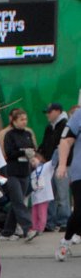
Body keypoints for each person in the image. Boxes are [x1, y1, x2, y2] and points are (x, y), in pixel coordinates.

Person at [0, 108, 36, 242]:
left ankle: (7, 232)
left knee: (16, 203)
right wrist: (23, 152)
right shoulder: (10, 135)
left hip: (25, 172)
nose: (24, 122)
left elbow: (33, 147)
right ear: (14, 121)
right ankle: (28, 228)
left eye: (25, 119)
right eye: (21, 119)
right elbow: (9, 152)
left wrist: (31, 153)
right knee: (19, 201)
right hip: (13, 172)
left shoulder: (27, 133)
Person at [54, 104, 81, 261]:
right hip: (79, 172)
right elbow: (65, 142)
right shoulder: (78, 115)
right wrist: (62, 164)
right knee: (80, 210)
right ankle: (66, 240)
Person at [37, 101, 69, 231]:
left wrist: (60, 163)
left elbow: (64, 145)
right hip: (49, 165)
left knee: (62, 194)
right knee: (50, 195)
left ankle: (64, 221)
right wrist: (39, 154)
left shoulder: (65, 125)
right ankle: (50, 222)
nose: (47, 115)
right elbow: (45, 143)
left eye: (49, 112)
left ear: (58, 111)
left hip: (62, 164)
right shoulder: (49, 127)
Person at [28, 153, 55, 237]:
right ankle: (34, 228)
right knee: (34, 214)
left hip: (44, 196)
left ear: (39, 158)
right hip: (35, 197)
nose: (33, 162)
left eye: (34, 160)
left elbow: (54, 161)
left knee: (42, 213)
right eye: (31, 161)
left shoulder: (45, 167)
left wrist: (59, 148)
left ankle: (40, 229)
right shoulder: (31, 172)